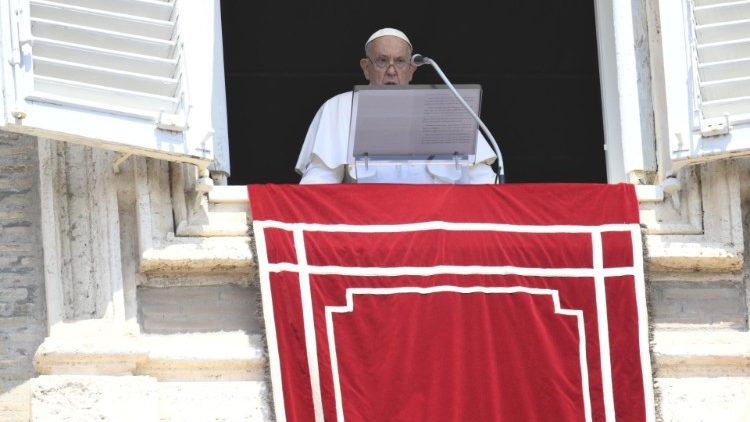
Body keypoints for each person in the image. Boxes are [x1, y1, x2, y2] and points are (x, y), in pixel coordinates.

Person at [295, 28, 497, 184]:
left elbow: (485, 183)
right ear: (366, 68)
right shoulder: (338, 107)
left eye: (400, 62)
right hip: (370, 229)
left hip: (436, 230)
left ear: (411, 70)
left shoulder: (446, 109)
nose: (392, 71)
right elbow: (318, 186)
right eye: (382, 61)